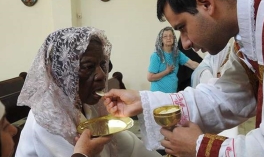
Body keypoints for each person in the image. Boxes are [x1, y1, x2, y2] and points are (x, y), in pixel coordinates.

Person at [104, 0, 264, 156]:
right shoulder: (252, 29)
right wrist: (143, 102)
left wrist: (200, 147)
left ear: (206, 3)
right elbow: (224, 96)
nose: (185, 43)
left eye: (182, 27)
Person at [15, 27, 162, 157]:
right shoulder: (47, 120)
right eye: (88, 66)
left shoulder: (85, 103)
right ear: (62, 74)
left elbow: (126, 144)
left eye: (102, 64)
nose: (102, 75)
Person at [0, 101, 105, 157]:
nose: (14, 130)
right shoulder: (46, 116)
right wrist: (84, 154)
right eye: (4, 127)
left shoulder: (87, 103)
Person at [148, 26, 199, 93]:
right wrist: (166, 71)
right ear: (161, 39)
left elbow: (192, 64)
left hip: (172, 94)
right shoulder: (156, 55)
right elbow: (150, 77)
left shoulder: (177, 53)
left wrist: (210, 68)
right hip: (158, 95)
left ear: (174, 38)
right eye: (165, 36)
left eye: (171, 36)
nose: (168, 38)